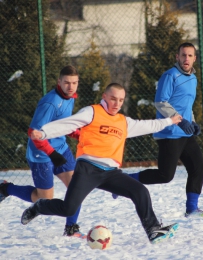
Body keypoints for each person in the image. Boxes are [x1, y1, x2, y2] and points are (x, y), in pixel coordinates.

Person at [21, 83, 182, 244]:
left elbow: (147, 125)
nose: (116, 104)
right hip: (87, 169)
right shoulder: (92, 112)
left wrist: (169, 121)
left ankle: (153, 230)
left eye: (120, 100)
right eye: (113, 99)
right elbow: (68, 123)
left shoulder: (123, 122)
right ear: (104, 97)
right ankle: (40, 206)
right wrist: (43, 133)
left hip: (111, 173)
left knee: (140, 191)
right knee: (68, 209)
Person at [113, 42, 203, 218]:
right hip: (170, 133)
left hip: (185, 133)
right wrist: (179, 122)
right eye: (183, 55)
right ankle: (123, 183)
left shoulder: (193, 78)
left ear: (195, 58)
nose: (186, 59)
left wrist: (193, 122)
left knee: (198, 167)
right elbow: (161, 102)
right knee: (165, 175)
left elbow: (187, 105)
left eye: (190, 55)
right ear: (177, 57)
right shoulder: (170, 76)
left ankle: (192, 209)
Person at [0, 65, 86, 238]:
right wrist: (52, 155)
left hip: (60, 147)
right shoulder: (50, 102)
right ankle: (5, 189)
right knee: (43, 198)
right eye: (67, 82)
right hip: (41, 153)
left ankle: (71, 228)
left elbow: (61, 124)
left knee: (77, 187)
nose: (71, 86)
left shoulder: (70, 97)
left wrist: (80, 135)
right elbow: (34, 133)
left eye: (74, 83)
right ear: (59, 82)